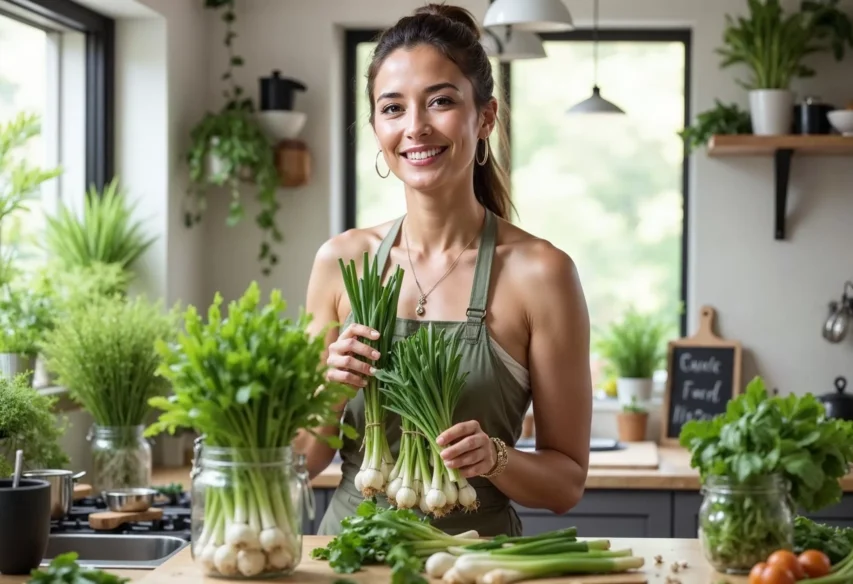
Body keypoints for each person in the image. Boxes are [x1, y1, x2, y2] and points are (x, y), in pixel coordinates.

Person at [296, 3, 592, 537]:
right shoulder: (341, 263)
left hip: (477, 564)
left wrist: (496, 458)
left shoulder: (541, 274)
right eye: (392, 108)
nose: (415, 127)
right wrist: (328, 390)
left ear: (485, 117)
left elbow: (566, 483)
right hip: (349, 560)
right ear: (376, 128)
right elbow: (301, 463)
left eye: (440, 101)